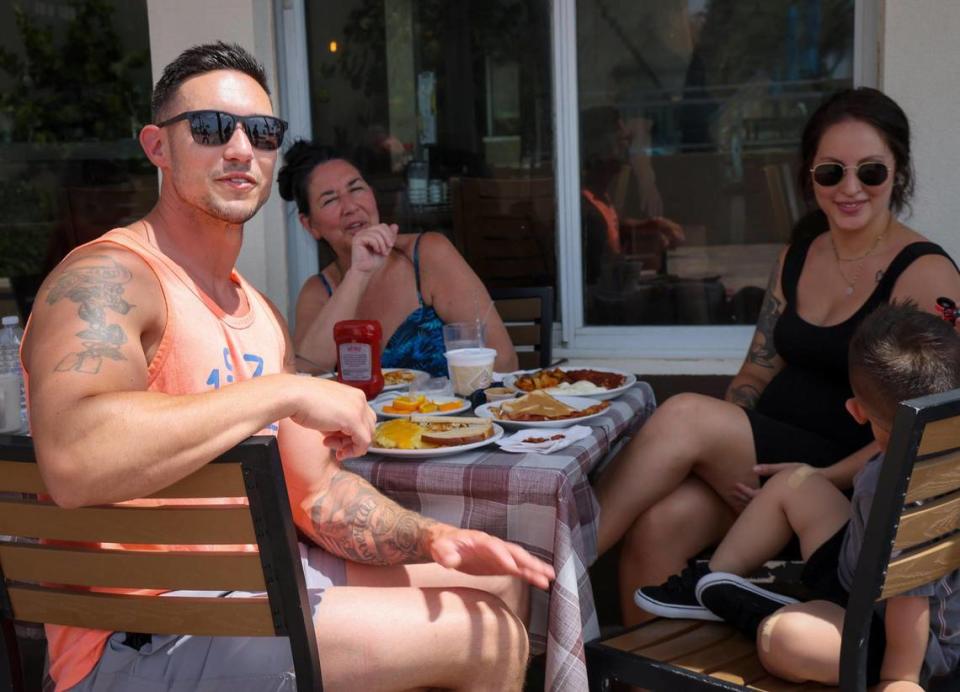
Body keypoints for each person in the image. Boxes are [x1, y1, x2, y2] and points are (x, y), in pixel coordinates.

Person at [21, 42, 553, 692]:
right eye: (212, 128)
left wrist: (431, 536)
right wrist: (279, 392)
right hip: (142, 632)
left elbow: (318, 495)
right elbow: (75, 459)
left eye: (262, 131)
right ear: (158, 147)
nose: (241, 148)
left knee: (493, 577)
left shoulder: (258, 312)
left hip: (261, 584)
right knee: (484, 635)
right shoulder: (108, 278)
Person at [593, 87, 960, 626]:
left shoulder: (926, 272)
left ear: (898, 172)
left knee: (684, 413)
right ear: (810, 176)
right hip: (767, 462)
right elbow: (758, 368)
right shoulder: (799, 255)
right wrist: (719, 452)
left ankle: (554, 561)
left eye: (871, 172)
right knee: (659, 526)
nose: (850, 188)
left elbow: (933, 421)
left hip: (840, 478)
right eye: (831, 172)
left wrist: (824, 476)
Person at [634, 301, 960, 690]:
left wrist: (899, 676)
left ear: (856, 412)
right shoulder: (932, 442)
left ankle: (753, 606)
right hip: (857, 574)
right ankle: (713, 582)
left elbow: (911, 603)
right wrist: (822, 475)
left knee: (782, 639)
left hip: (891, 633)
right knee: (797, 482)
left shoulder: (901, 491)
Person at [278, 141, 518, 376]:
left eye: (356, 188)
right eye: (330, 200)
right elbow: (307, 374)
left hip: (452, 413)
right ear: (310, 225)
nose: (350, 206)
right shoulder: (318, 291)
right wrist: (358, 274)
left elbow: (504, 360)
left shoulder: (427, 254)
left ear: (372, 194)